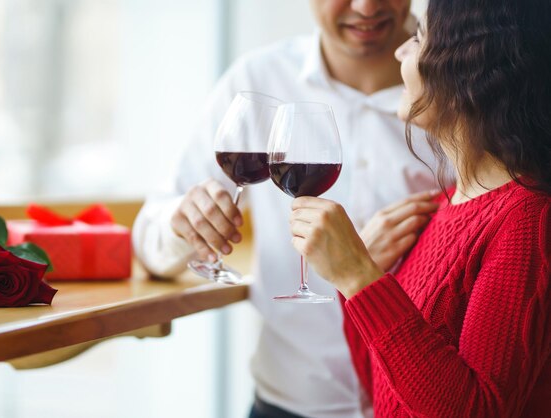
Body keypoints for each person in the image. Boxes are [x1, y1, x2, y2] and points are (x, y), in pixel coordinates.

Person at [134, 1, 442, 417]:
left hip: (427, 403)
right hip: (287, 402)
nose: (366, 7)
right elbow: (149, 243)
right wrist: (183, 223)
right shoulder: (259, 78)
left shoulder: (463, 84)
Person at [289, 0, 551, 416]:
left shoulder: (528, 220)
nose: (400, 52)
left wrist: (361, 278)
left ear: (470, 62)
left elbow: (478, 410)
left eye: (418, 38)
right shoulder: (436, 208)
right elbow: (386, 394)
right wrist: (355, 287)